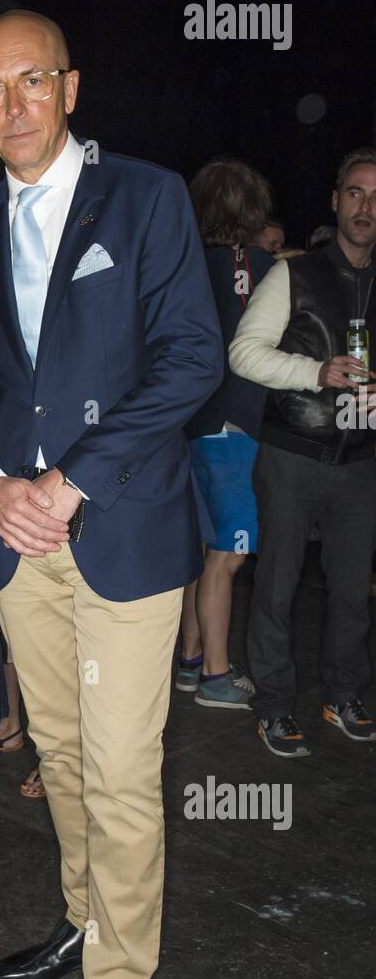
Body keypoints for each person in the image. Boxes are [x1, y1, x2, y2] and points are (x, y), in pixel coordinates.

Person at [0, 10, 223, 979]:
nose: (10, 105)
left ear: (68, 85)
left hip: (123, 532)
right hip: (22, 546)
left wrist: (71, 478)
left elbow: (190, 358)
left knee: (116, 767)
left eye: (29, 82)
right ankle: (78, 917)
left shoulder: (146, 199)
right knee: (56, 750)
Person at [229, 147, 376, 756]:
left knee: (349, 591)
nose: (367, 207)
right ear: (336, 201)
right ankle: (272, 704)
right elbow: (244, 352)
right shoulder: (294, 273)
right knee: (277, 589)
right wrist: (317, 372)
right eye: (356, 194)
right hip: (292, 452)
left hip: (361, 463)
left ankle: (342, 694)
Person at [176, 159, 275, 707]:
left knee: (201, 549)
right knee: (227, 556)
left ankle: (191, 661)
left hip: (190, 424)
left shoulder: (184, 265)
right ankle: (216, 674)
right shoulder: (263, 267)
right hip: (234, 425)